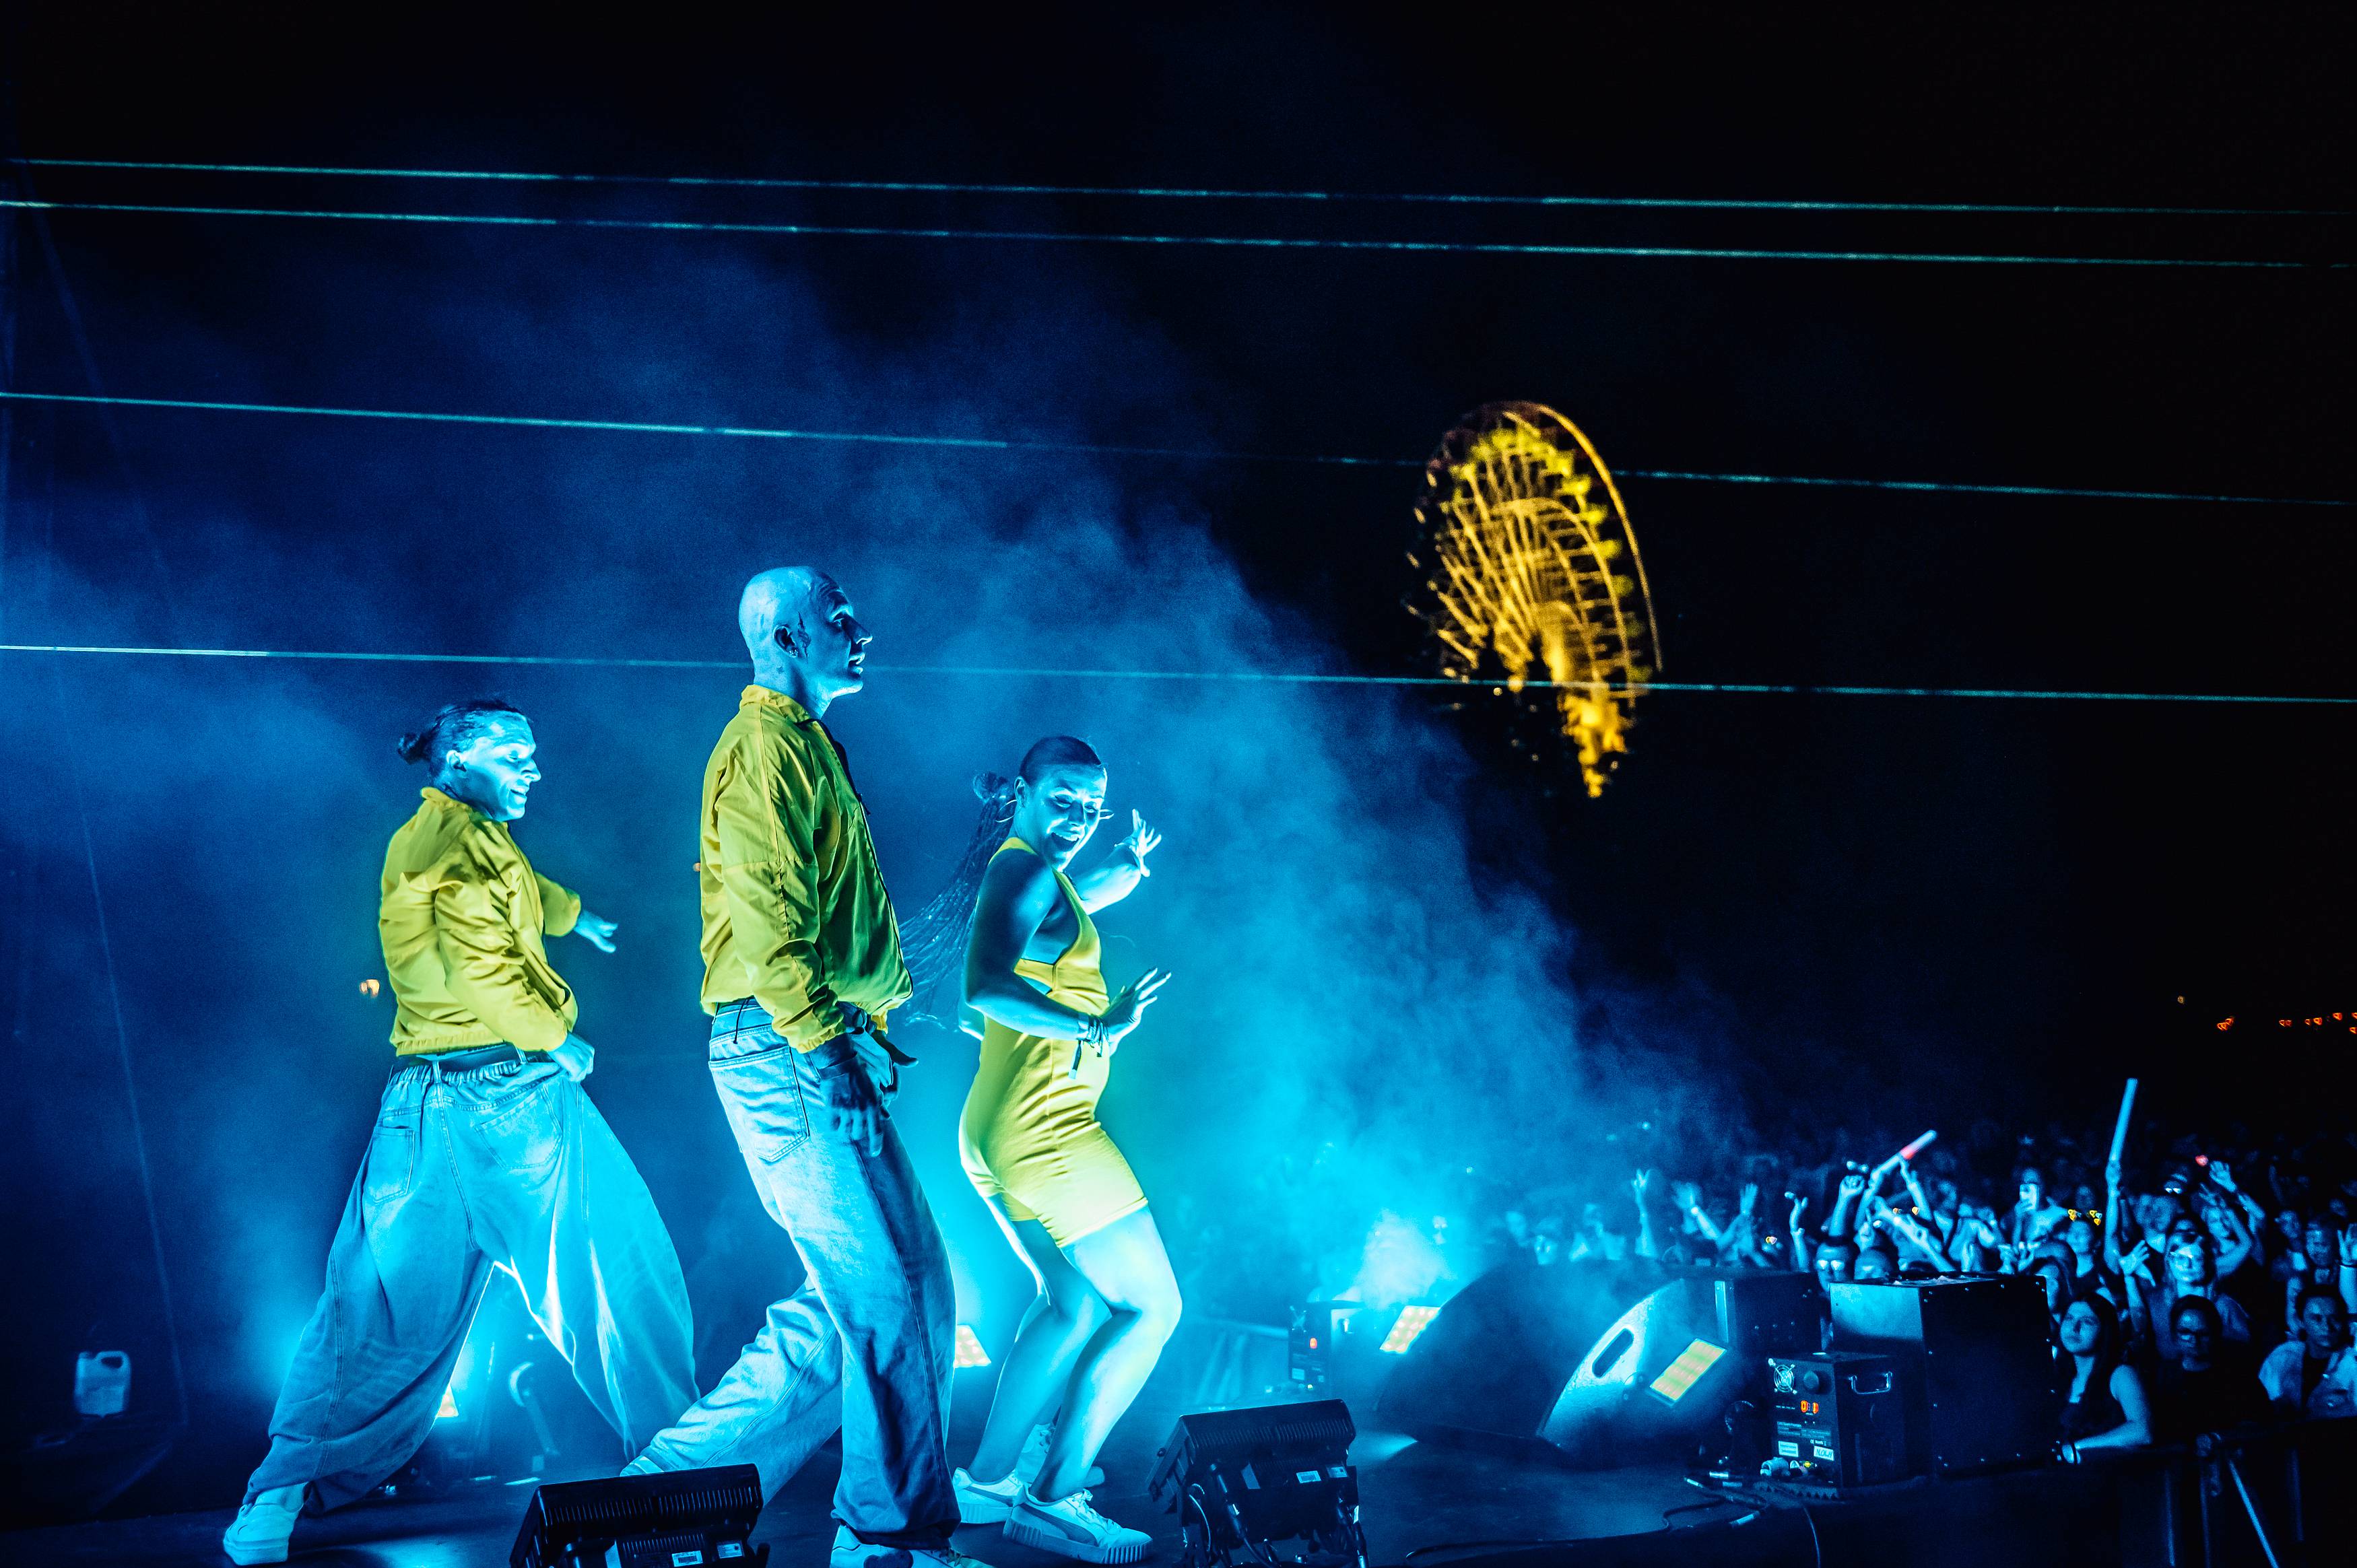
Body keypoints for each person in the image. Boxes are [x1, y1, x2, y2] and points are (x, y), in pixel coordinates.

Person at [223, 700, 696, 1566]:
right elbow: (483, 965)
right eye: (515, 752)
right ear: (460, 756)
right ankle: (680, 1478)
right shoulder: (463, 844)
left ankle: (274, 1500)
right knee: (618, 1274)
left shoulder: (443, 836)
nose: (533, 767)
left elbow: (519, 888)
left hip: (419, 1107)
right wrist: (556, 1037)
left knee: (371, 1307)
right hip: (509, 1097)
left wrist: (573, 915)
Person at [622, 569, 972, 1568]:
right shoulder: (763, 747)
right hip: (787, 1046)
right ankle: (887, 1537)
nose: (862, 630)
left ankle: (654, 1500)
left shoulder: (807, 744)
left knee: (862, 1305)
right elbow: (769, 919)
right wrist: (826, 1048)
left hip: (805, 1039)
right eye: (839, 617)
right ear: (784, 637)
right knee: (894, 1295)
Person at [945, 737, 1175, 1561]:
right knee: (1153, 1309)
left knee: (1072, 1303)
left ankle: (986, 1480)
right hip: (1050, 1132)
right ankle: (1055, 1494)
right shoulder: (1024, 871)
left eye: (1092, 806)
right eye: (1063, 800)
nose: (1078, 818)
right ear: (1022, 793)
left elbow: (1061, 911)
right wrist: (1096, 1026)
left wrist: (1122, 872)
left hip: (998, 1132)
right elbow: (981, 985)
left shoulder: (1032, 873)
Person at [2149, 1296, 2269, 1442]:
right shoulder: (2163, 1376)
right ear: (2174, 1334)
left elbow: (2260, 1422)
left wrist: (2219, 1438)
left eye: (2203, 1333)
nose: (2194, 1340)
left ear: (2215, 1334)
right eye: (2185, 1332)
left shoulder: (2237, 1376)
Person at [2057, 1296, 2151, 1459]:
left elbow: (2143, 1431)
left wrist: (2076, 1447)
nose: (2074, 1327)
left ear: (2104, 1330)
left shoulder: (2121, 1374)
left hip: (2109, 1471)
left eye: (2087, 1321)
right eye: (2069, 1318)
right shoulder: (2060, 1377)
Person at [2259, 1285, 2357, 1420]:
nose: (2327, 1327)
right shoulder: (2283, 1356)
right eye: (2316, 1318)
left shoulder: (2352, 1364)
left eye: (2334, 1318)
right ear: (2301, 1321)